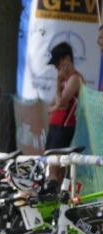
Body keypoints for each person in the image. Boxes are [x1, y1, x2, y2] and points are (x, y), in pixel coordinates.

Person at [45, 41, 83, 184]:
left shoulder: (75, 78)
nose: (57, 67)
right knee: (50, 162)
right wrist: (57, 104)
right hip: (55, 125)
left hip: (64, 126)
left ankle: (54, 190)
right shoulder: (65, 80)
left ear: (67, 59)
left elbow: (61, 103)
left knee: (55, 166)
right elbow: (52, 105)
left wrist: (58, 82)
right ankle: (54, 189)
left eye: (58, 63)